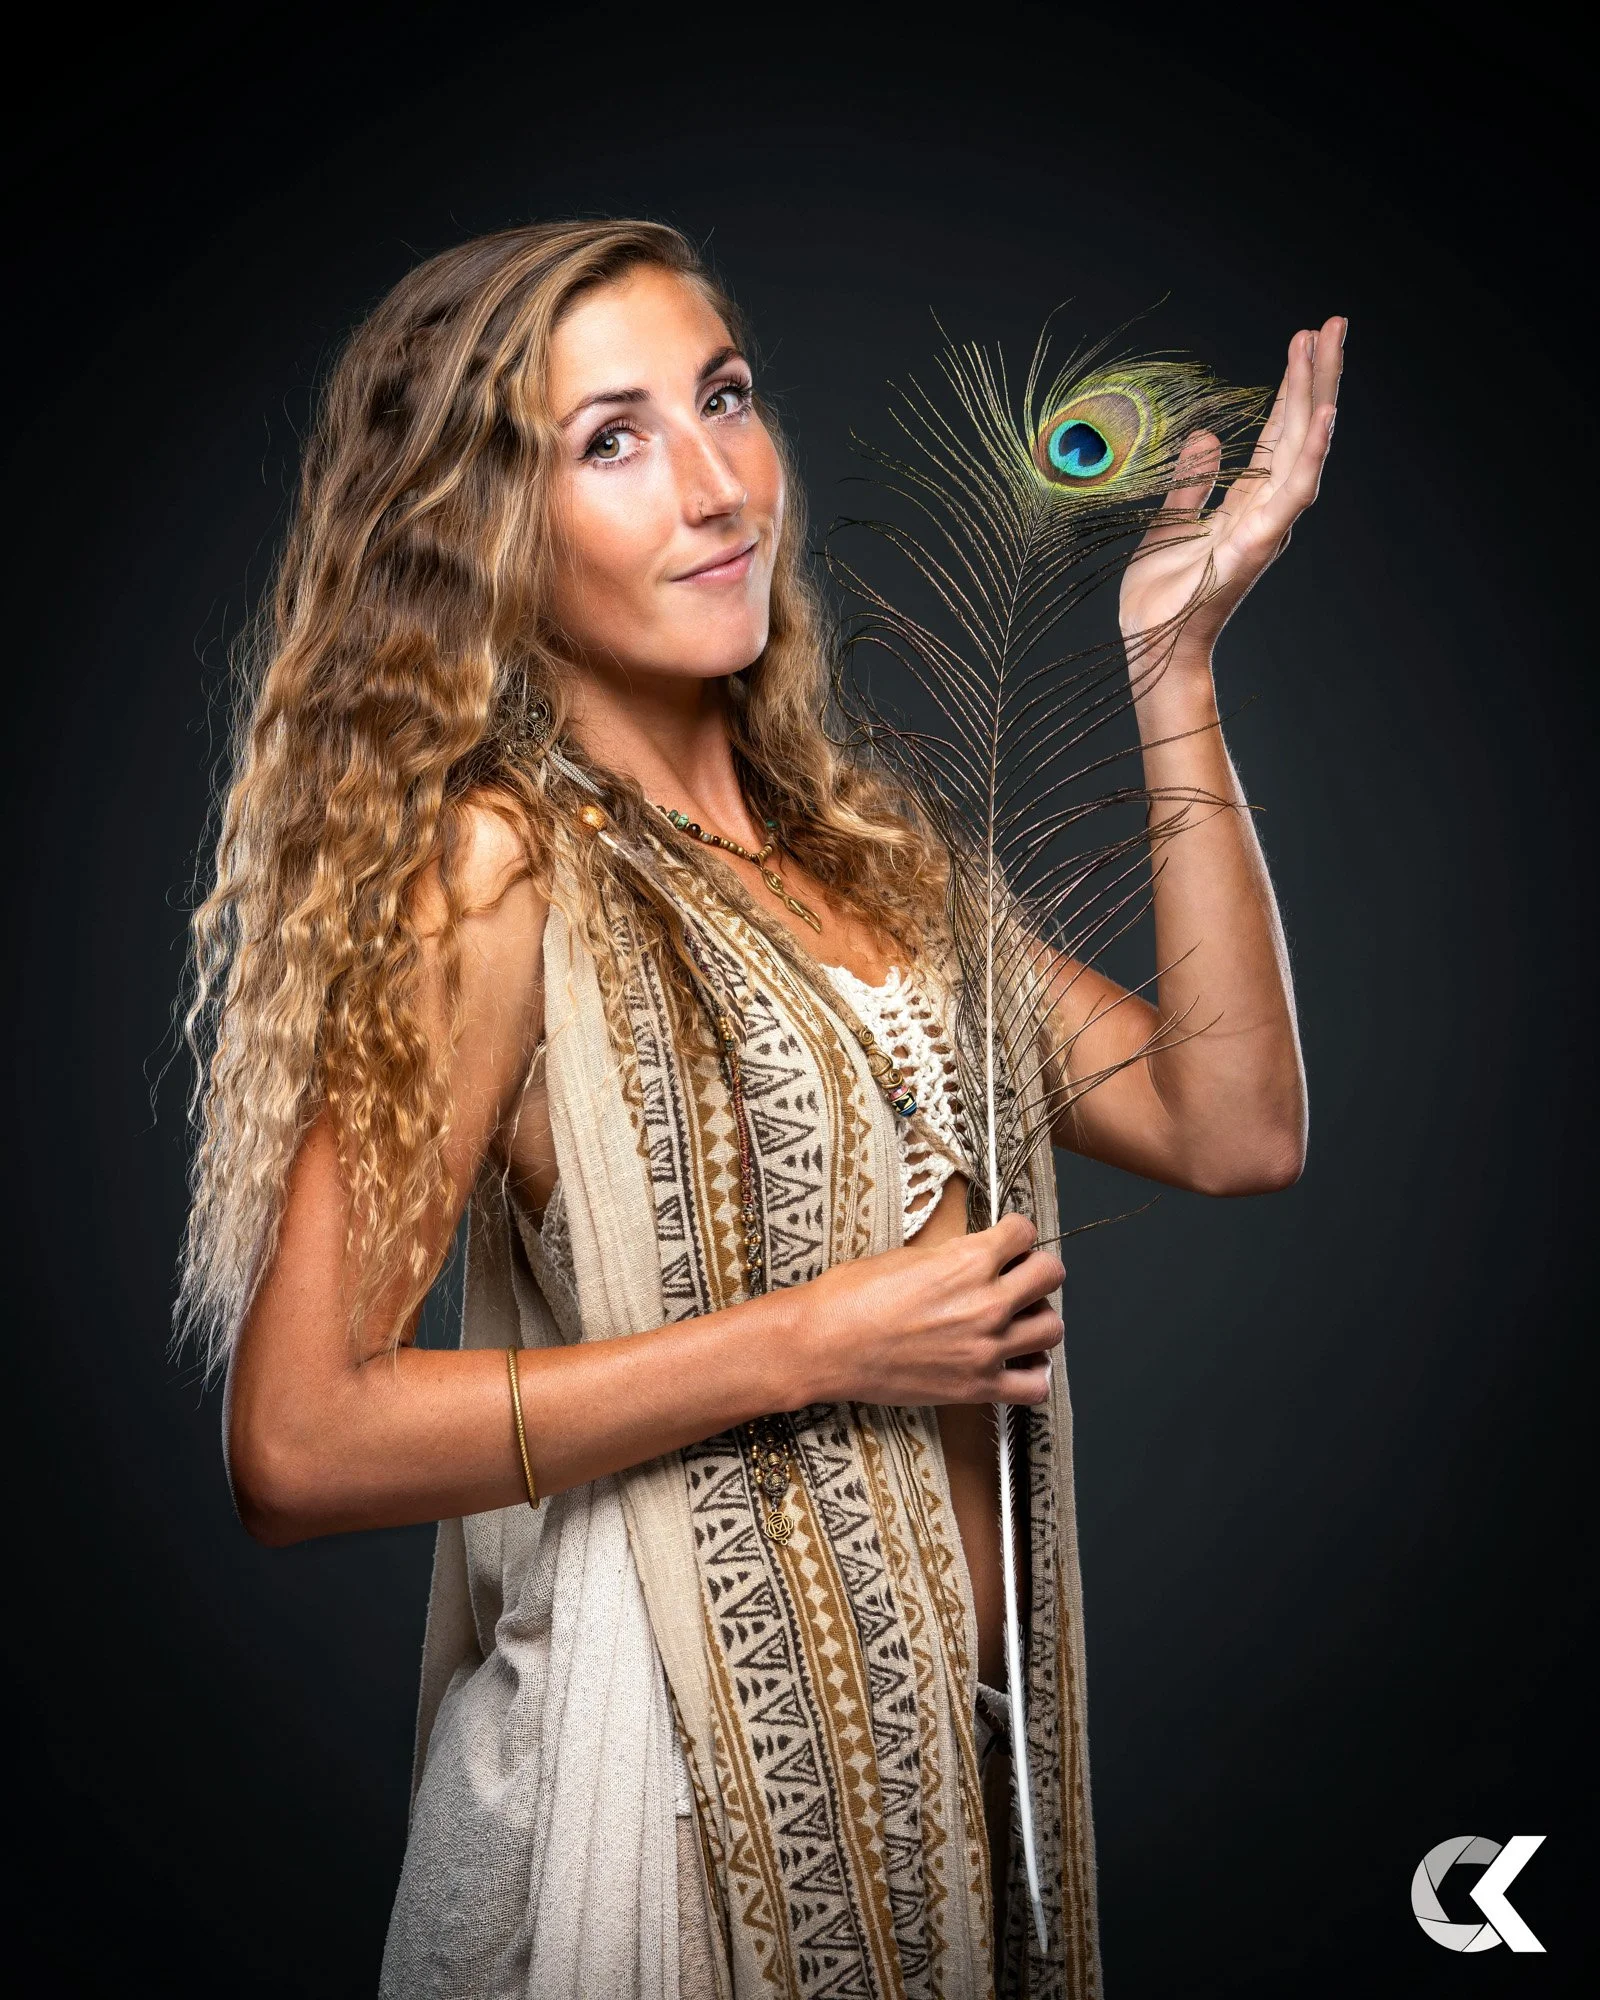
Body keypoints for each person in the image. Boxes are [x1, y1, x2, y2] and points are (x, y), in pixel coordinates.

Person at [179, 218, 1343, 1999]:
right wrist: (818, 1341)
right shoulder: (501, 872)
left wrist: (1171, 675)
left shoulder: (873, 860)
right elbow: (301, 1439)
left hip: (944, 1788)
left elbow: (1230, 1120)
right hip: (654, 1812)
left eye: (724, 398)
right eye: (613, 439)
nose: (719, 486)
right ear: (490, 528)